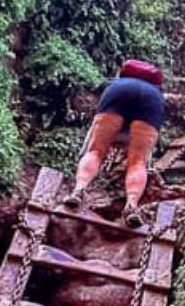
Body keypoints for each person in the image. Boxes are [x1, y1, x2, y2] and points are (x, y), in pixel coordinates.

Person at [68, 59, 166, 226]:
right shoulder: (155, 91)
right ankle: (131, 206)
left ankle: (78, 191)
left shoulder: (118, 82)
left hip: (119, 92)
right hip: (151, 100)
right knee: (137, 162)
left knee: (95, 151)